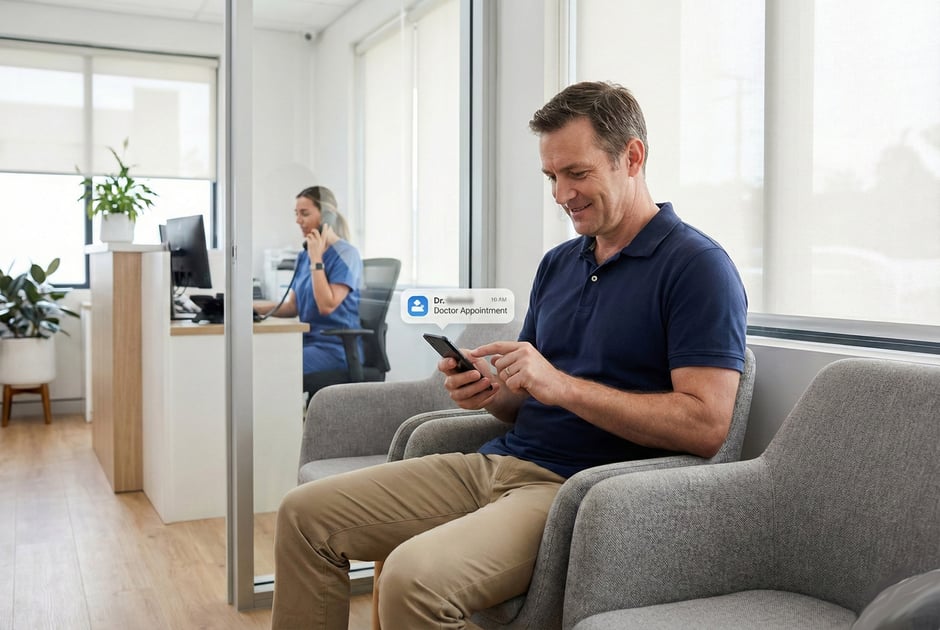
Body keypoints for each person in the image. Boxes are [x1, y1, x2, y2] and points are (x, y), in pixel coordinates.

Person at [271, 81, 748, 629]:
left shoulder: (697, 267)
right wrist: (492, 393)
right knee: (303, 515)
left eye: (577, 173)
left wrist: (562, 386)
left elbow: (707, 425)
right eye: (551, 177)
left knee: (411, 580)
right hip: (497, 463)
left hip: (576, 491)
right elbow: (528, 400)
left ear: (632, 157)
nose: (561, 194)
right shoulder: (558, 264)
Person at [255, 185, 363, 374]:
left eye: (304, 214)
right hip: (305, 342)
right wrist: (249, 309)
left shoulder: (347, 255)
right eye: (296, 214)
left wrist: (316, 259)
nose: (298, 220)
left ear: (327, 216)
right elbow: (292, 307)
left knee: (274, 370)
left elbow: (326, 305)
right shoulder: (304, 256)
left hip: (335, 349)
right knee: (258, 359)